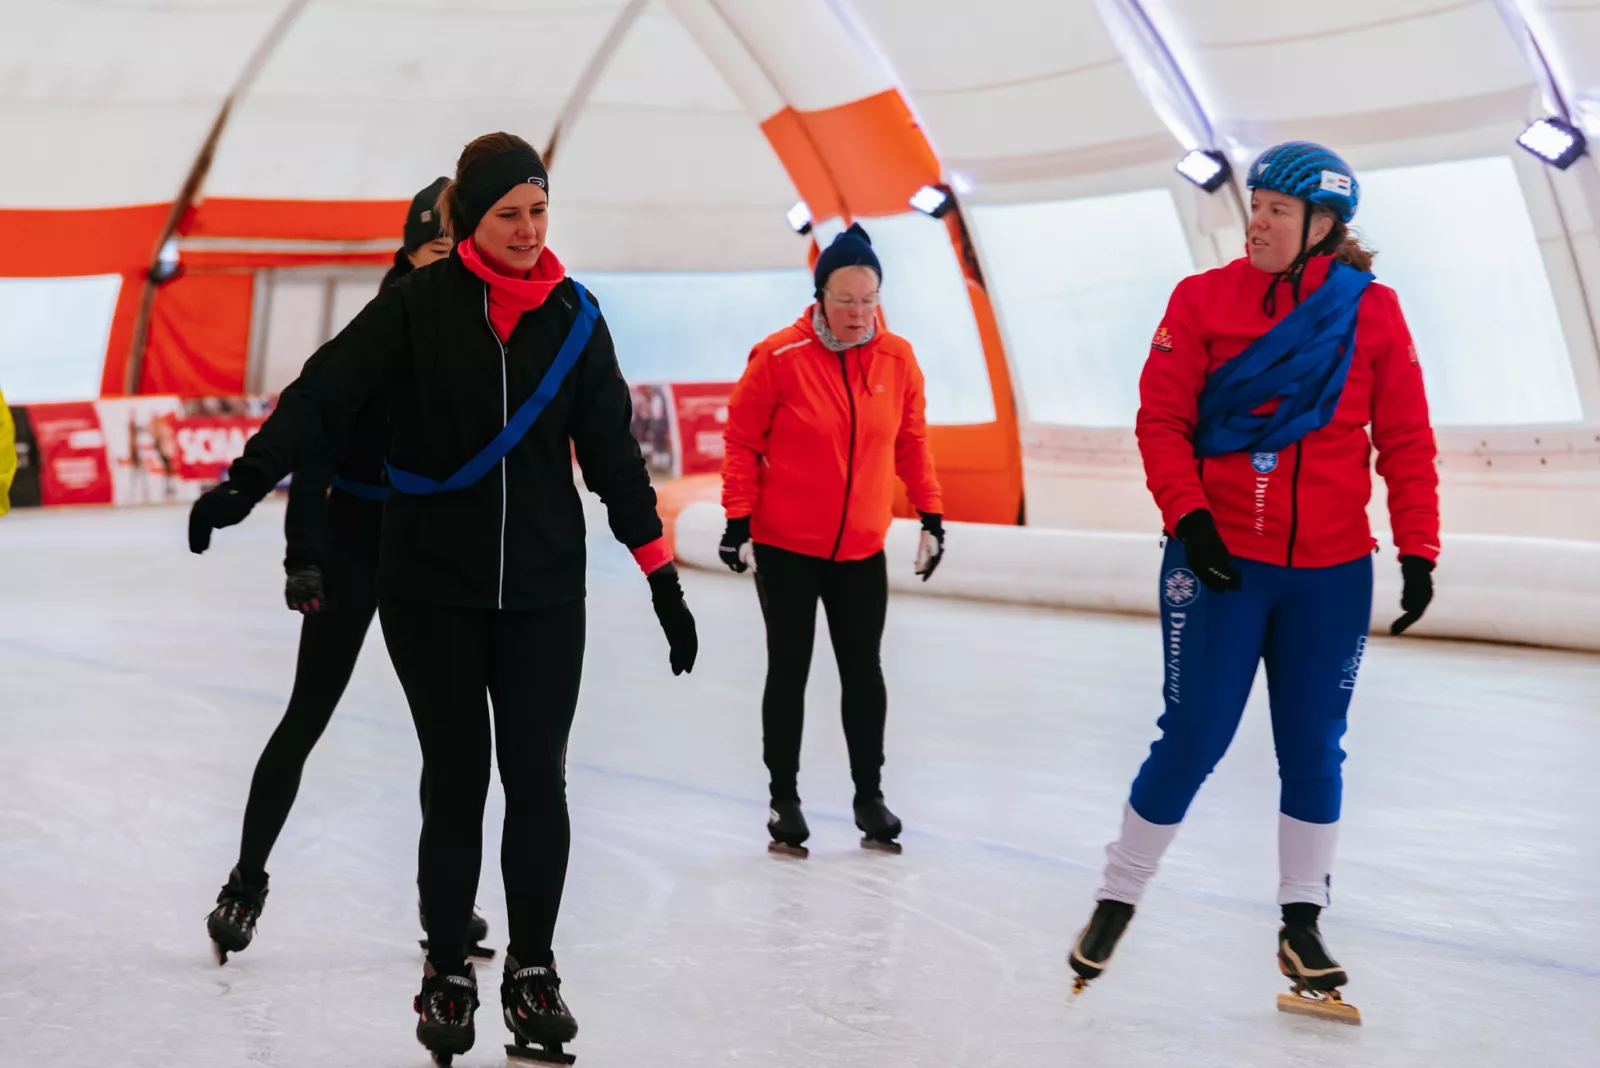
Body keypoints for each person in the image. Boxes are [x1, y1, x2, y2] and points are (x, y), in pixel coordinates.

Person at [188, 133, 698, 1064]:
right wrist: (245, 479)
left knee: (538, 778)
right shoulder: (417, 310)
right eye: (508, 214)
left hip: (546, 590)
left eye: (539, 213)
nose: (527, 231)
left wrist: (659, 571)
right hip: (432, 589)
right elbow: (321, 399)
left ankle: (533, 972)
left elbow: (616, 457)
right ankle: (448, 975)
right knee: (458, 778)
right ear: (471, 219)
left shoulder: (577, 318)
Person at [1065, 142, 1440, 1018]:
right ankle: (1118, 895)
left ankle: (1301, 923)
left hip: (1333, 571)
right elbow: (1160, 420)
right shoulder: (1201, 300)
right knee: (1194, 735)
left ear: (1324, 225)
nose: (1257, 220)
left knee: (1315, 748)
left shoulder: (1374, 316)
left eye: (1277, 208)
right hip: (1220, 562)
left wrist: (1419, 548)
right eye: (1256, 203)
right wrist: (1190, 519)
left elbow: (1407, 440)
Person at [204, 178, 481, 966]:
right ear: (408, 250)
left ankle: (448, 912)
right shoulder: (380, 328)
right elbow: (317, 447)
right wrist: (304, 557)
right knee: (306, 718)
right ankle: (246, 881)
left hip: (427, 560)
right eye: (434, 251)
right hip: (355, 551)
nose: (446, 266)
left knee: (449, 744)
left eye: (455, 253)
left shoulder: (471, 329)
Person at [719, 223, 945, 858]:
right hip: (788, 545)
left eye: (869, 299)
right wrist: (738, 520)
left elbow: (911, 442)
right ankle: (784, 799)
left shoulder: (897, 358)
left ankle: (868, 795)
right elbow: (742, 441)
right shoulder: (779, 357)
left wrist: (931, 514)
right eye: (846, 299)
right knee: (789, 668)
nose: (857, 313)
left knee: (863, 671)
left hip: (859, 549)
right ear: (820, 295)